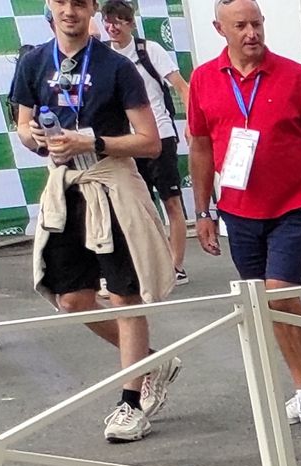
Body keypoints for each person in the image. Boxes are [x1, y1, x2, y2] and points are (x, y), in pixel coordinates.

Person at [9, 0, 179, 444]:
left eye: (80, 3)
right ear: (50, 5)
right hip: (65, 187)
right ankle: (149, 361)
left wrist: (93, 139)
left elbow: (151, 141)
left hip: (111, 182)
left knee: (126, 297)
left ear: (93, 9)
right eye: (62, 2)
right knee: (71, 300)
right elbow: (24, 126)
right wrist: (37, 138)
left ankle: (130, 401)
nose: (70, 11)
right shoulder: (33, 62)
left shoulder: (115, 66)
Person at [187, 0, 301, 431]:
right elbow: (201, 148)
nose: (251, 33)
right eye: (240, 25)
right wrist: (202, 211)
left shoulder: (294, 76)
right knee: (263, 302)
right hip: (238, 208)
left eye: (256, 24)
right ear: (219, 29)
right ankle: (300, 388)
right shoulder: (204, 79)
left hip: (292, 203)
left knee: (281, 292)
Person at [98, 1, 188, 287]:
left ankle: (176, 266)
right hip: (126, 143)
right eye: (108, 21)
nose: (113, 27)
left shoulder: (149, 50)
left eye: (120, 22)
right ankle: (146, 266)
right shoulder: (101, 56)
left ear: (131, 23)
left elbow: (181, 86)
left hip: (160, 136)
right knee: (137, 208)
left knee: (171, 202)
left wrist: (194, 126)